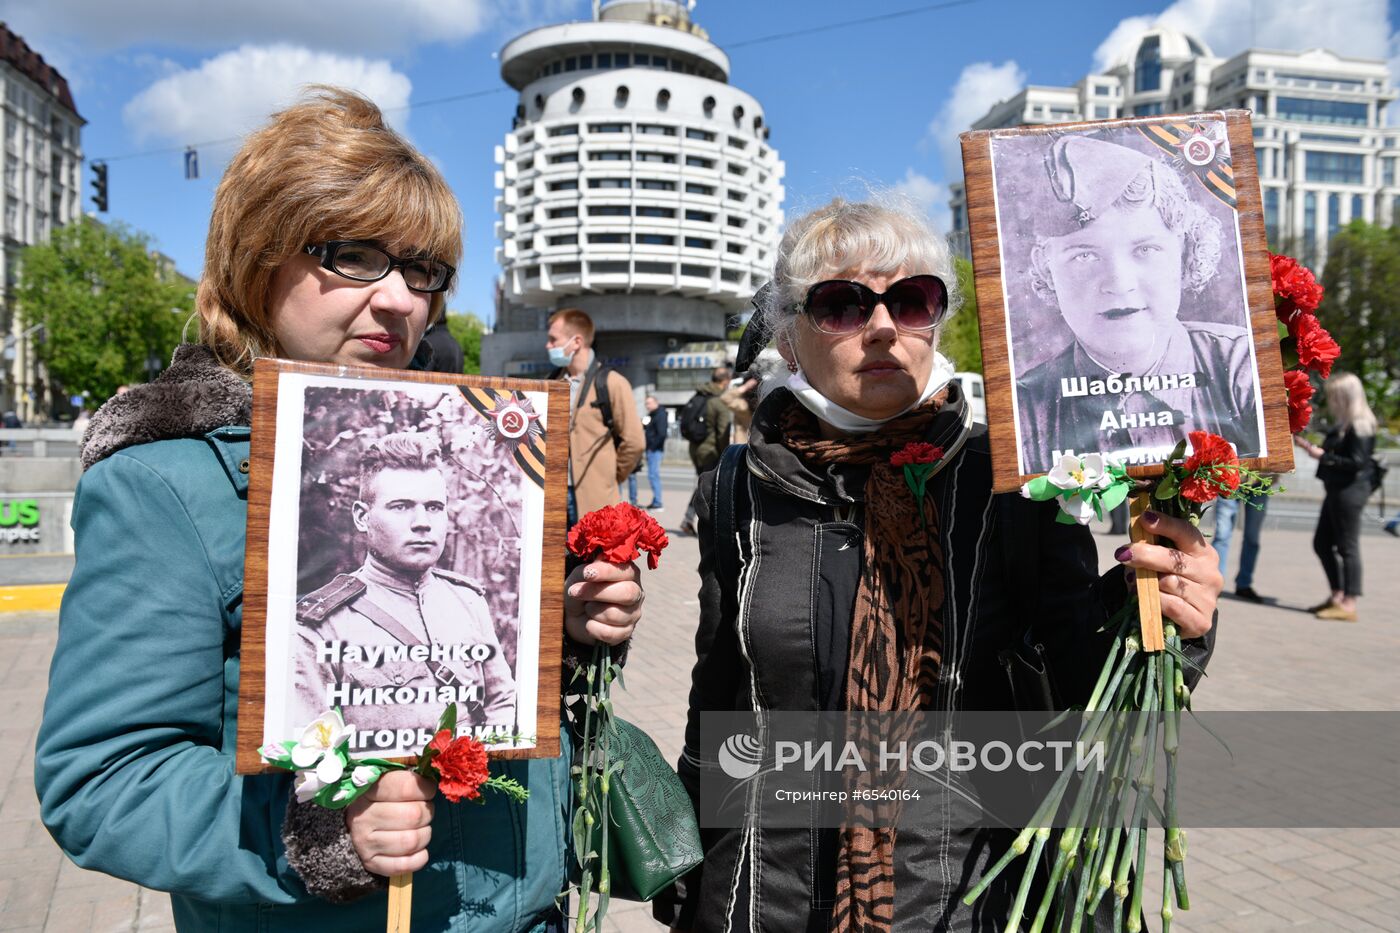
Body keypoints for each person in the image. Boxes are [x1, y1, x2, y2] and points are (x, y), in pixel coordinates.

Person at [35, 88, 644, 933]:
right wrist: (314, 832)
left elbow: (492, 709)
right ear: (259, 257)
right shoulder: (169, 482)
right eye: (354, 254)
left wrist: (569, 633)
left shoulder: (478, 445)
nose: (400, 300)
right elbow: (103, 779)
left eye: (422, 270)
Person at [657, 198, 1221, 931]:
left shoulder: (1011, 483)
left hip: (960, 903)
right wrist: (689, 870)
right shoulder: (739, 488)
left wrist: (1167, 614)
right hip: (766, 900)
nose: (884, 326)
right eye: (842, 305)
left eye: (912, 300)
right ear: (790, 339)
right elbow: (723, 695)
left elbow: (1084, 691)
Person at [1010, 132, 1261, 475]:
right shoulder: (1024, 410)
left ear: (1185, 253)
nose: (1118, 283)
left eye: (1146, 250)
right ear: (1047, 270)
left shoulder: (1241, 369)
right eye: (1084, 255)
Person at [292, 432, 516, 743]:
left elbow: (502, 701)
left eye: (435, 507)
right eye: (401, 506)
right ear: (362, 517)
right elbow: (311, 748)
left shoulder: (466, 600)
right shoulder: (322, 624)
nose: (422, 522)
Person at [544, 307, 644, 525]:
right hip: (551, 499)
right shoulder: (550, 382)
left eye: (553, 339)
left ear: (576, 341)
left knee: (590, 560)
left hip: (594, 502)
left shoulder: (612, 383)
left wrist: (609, 476)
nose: (548, 346)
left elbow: (635, 442)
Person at [1295, 372, 1378, 622]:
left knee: (1347, 546)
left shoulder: (1361, 426)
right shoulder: (1346, 424)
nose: (1331, 401)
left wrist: (1323, 457)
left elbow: (1356, 462)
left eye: (1335, 396)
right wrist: (1316, 450)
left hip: (1350, 492)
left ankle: (1348, 603)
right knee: (1322, 543)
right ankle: (1338, 595)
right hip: (1337, 490)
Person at [679, 365, 733, 535]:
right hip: (710, 450)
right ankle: (696, 521)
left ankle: (690, 519)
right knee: (707, 487)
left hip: (695, 449)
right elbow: (723, 431)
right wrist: (727, 455)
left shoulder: (698, 395)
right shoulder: (719, 400)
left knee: (704, 485)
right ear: (725, 381)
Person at [1213, 489, 1271, 602]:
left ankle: (1244, 584)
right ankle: (1215, 584)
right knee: (1222, 535)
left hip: (1261, 481)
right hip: (1232, 479)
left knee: (1252, 537)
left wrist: (1275, 476)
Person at [643, 394, 668, 509]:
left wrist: (652, 447)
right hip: (652, 449)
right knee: (652, 475)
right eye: (646, 403)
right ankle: (656, 500)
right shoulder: (653, 415)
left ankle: (658, 502)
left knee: (653, 475)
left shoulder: (660, 415)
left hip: (655, 449)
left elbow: (662, 434)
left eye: (648, 403)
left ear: (655, 402)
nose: (646, 406)